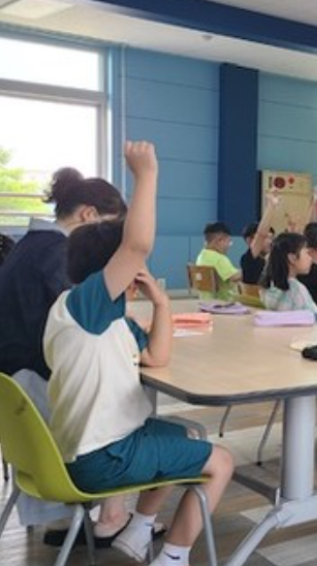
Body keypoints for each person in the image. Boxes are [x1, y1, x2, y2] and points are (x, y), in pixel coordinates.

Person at [44, 141, 234, 566]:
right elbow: (136, 246)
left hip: (84, 450)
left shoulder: (98, 317)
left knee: (183, 436)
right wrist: (146, 174)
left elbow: (157, 358)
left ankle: (138, 530)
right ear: (112, 271)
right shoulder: (88, 306)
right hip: (101, 457)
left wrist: (162, 303)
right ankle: (174, 558)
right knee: (221, 462)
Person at [0, 166, 135, 545]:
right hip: (37, 384)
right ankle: (112, 516)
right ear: (88, 215)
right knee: (124, 400)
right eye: (109, 229)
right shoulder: (57, 253)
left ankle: (80, 518)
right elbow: (84, 319)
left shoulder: (28, 245)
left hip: (16, 387)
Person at [259, 232, 317, 312]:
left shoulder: (269, 285)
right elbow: (315, 316)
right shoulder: (296, 289)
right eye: (307, 253)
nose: (311, 259)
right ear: (292, 258)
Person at [240, 191, 280, 286]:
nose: (270, 241)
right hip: (257, 295)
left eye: (272, 238)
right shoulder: (248, 259)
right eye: (267, 238)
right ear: (250, 240)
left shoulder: (270, 259)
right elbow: (261, 234)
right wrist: (271, 205)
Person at [195, 222, 240, 301]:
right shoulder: (219, 259)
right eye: (229, 242)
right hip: (223, 302)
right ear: (220, 240)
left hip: (205, 302)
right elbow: (235, 277)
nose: (229, 246)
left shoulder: (201, 256)